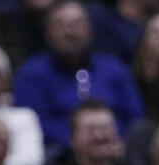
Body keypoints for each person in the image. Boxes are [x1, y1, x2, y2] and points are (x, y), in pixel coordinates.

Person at [13, 0, 145, 147]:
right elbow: (32, 124)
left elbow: (135, 119)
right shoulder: (32, 74)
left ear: (89, 30)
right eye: (60, 25)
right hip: (57, 157)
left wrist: (111, 140)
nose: (70, 32)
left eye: (77, 24)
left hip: (116, 152)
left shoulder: (114, 69)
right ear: (48, 33)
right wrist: (82, 141)